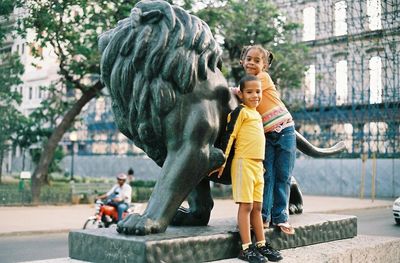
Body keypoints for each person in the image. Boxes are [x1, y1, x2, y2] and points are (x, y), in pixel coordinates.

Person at [211, 75, 283, 262]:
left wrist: (263, 166)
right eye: (249, 92)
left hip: (258, 166)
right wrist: (222, 161)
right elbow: (230, 136)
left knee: (258, 207)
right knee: (247, 206)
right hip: (243, 163)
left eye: (258, 92)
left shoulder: (258, 115)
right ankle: (246, 247)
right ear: (241, 94)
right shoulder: (240, 112)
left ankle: (261, 244)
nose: (255, 95)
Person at [239, 45, 296, 235]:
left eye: (257, 60)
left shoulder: (262, 79)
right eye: (249, 59)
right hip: (267, 135)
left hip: (285, 130)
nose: (252, 63)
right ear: (242, 61)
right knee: (267, 176)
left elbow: (245, 92)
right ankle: (263, 217)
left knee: (283, 175)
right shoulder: (245, 85)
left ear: (264, 65)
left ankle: (281, 217)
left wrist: (231, 90)